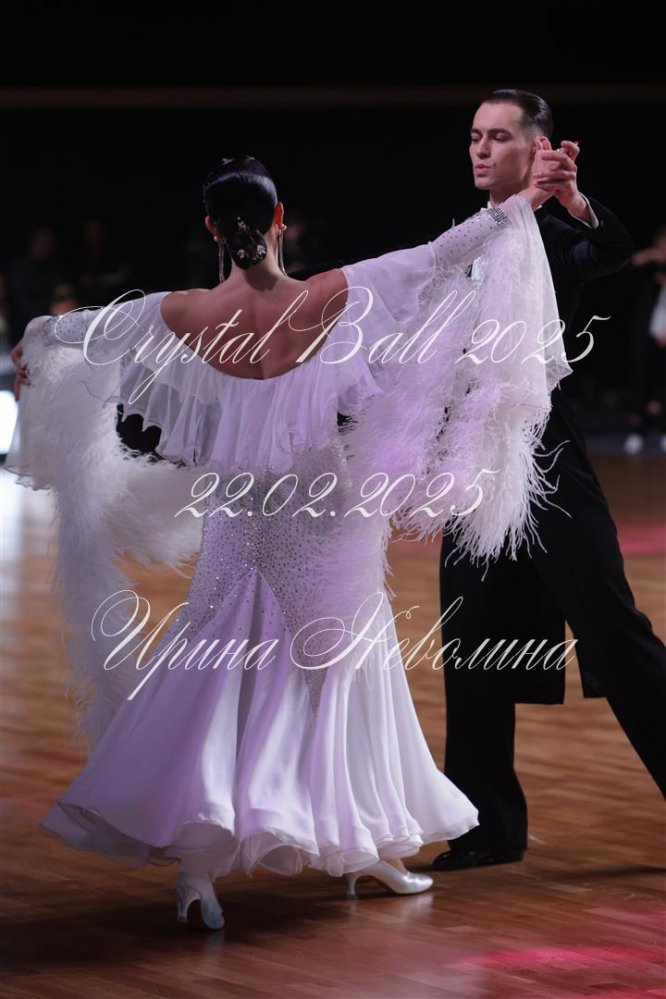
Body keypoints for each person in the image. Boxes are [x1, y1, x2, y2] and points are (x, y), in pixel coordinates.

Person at [8, 155, 566, 931]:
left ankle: (208, 865)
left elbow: (82, 329)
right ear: (280, 220)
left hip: (241, 511)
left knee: (219, 667)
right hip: (322, 508)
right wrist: (521, 202)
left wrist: (37, 338)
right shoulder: (332, 293)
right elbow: (442, 256)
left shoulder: (184, 312)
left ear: (212, 229)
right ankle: (359, 841)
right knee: (342, 670)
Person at [432, 90, 666, 874]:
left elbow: (611, 250)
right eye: (475, 135)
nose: (480, 148)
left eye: (499, 137)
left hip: (545, 451)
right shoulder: (466, 235)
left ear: (536, 149)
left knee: (612, 628)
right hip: (471, 455)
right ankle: (486, 826)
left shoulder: (560, 233)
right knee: (474, 639)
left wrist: (571, 199)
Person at [624, 225, 666, 455]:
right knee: (641, 381)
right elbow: (628, 269)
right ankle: (637, 430)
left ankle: (663, 430)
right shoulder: (650, 269)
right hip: (646, 332)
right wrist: (650, 255)